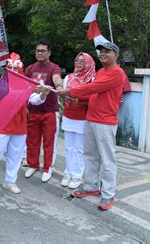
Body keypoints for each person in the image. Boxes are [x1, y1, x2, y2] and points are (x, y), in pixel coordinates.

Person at [58, 42, 125, 211]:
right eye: (101, 51)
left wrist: (70, 92)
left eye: (107, 52)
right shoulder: (101, 71)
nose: (102, 54)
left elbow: (95, 87)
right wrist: (79, 100)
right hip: (91, 118)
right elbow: (95, 93)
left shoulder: (117, 72)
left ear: (115, 55)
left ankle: (108, 194)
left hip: (105, 122)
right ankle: (90, 186)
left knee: (107, 159)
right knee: (90, 155)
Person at [0, 57, 50, 195]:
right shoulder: (1, 85)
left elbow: (35, 100)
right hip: (3, 126)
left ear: (20, 70)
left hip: (20, 127)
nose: (13, 71)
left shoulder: (26, 86)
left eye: (16, 69)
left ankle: (10, 181)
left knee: (15, 156)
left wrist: (43, 93)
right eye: (11, 69)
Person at [24, 39, 63, 182]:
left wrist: (59, 87)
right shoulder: (30, 68)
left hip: (49, 112)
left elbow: (57, 78)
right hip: (33, 111)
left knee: (49, 141)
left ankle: (48, 168)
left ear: (49, 53)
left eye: (42, 51)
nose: (39, 53)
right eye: (37, 50)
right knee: (32, 141)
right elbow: (24, 86)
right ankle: (33, 164)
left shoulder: (53, 67)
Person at [60, 52, 95, 189]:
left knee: (79, 148)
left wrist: (79, 101)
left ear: (88, 63)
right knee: (69, 147)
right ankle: (67, 173)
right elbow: (63, 95)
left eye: (82, 61)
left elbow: (93, 98)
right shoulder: (68, 77)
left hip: (82, 117)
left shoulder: (92, 79)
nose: (79, 63)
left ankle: (77, 175)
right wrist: (65, 97)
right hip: (68, 115)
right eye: (77, 60)